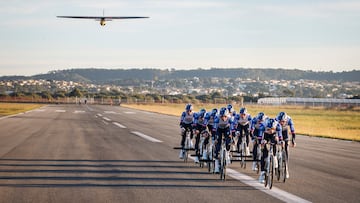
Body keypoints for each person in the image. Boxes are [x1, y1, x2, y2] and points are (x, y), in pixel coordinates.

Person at [257, 118, 282, 183]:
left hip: (274, 135)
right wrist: (261, 142)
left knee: (275, 142)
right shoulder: (263, 126)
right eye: (269, 129)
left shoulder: (278, 126)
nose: (271, 130)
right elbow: (260, 136)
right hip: (266, 135)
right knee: (264, 155)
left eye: (272, 129)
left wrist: (280, 141)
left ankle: (274, 157)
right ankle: (262, 173)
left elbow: (280, 135)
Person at [213, 107, 233, 173]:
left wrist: (231, 134)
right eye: (222, 116)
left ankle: (227, 154)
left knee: (228, 140)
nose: (223, 118)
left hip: (226, 128)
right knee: (218, 143)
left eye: (225, 116)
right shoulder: (217, 118)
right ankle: (216, 166)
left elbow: (232, 128)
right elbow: (214, 129)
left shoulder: (230, 118)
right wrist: (215, 137)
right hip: (219, 129)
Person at [276, 111, 296, 178]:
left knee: (286, 146)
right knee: (276, 143)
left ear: (286, 120)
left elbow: (293, 131)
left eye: (283, 121)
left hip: (285, 130)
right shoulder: (276, 119)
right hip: (277, 130)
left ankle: (286, 167)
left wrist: (293, 141)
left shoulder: (289, 119)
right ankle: (275, 159)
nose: (281, 123)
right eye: (280, 121)